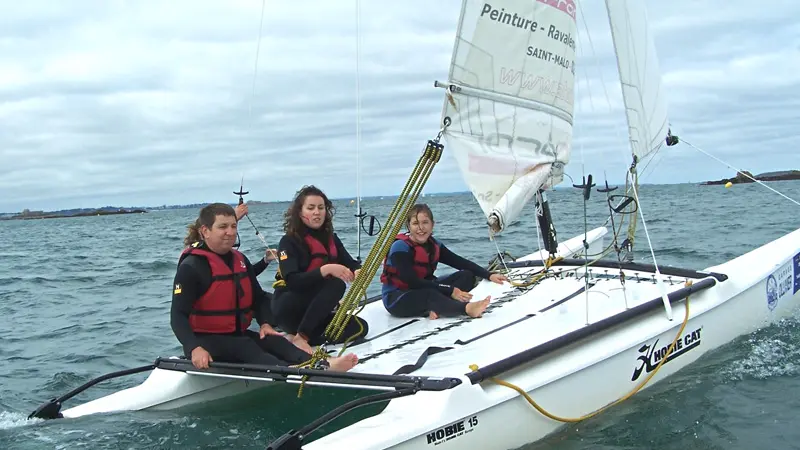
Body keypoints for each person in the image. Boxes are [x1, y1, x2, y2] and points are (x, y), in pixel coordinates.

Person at [171, 202, 358, 371]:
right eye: (223, 227)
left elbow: (258, 298)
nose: (230, 232)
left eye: (233, 226)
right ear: (205, 231)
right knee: (248, 348)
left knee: (275, 341)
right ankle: (299, 370)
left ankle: (320, 363)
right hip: (205, 340)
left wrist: (265, 323)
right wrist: (194, 348)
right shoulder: (192, 267)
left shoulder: (240, 260)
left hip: (237, 334)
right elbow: (178, 315)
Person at [271, 185, 369, 353]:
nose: (317, 212)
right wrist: (325, 270)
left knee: (360, 328)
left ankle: (296, 338)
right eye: (311, 208)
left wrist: (358, 271)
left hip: (314, 311)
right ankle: (302, 337)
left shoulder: (332, 239)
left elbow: (350, 263)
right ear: (301, 213)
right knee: (337, 284)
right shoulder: (288, 242)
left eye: (321, 208)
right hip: (288, 307)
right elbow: (293, 281)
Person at [380, 204, 508, 320]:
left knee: (466, 275)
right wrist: (450, 290)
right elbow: (412, 282)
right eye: (415, 223)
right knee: (430, 294)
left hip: (427, 288)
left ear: (432, 225)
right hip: (398, 298)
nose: (421, 228)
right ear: (408, 226)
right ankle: (467, 309)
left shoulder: (435, 245)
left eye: (425, 222)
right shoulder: (399, 247)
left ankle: (437, 307)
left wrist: (489, 275)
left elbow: (460, 262)